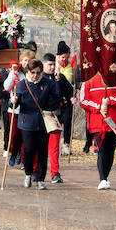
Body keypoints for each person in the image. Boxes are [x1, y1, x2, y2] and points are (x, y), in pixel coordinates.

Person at [15, 58, 61, 189]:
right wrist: (13, 100)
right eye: (33, 72)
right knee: (29, 149)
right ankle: (28, 174)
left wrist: (57, 79)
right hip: (27, 122)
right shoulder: (21, 84)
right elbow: (14, 103)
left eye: (38, 73)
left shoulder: (47, 83)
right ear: (27, 71)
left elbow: (57, 94)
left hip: (43, 122)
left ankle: (41, 179)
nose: (35, 75)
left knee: (42, 151)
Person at [79, 71, 116, 189]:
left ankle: (106, 176)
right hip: (97, 122)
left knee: (110, 151)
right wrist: (98, 106)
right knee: (102, 148)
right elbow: (83, 100)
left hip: (114, 121)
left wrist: (110, 101)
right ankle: (103, 178)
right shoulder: (88, 79)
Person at [41, 53, 72, 184]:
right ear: (43, 64)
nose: (52, 67)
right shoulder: (38, 77)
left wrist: (71, 97)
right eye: (50, 65)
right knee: (40, 146)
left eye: (54, 64)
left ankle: (55, 172)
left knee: (54, 147)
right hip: (40, 115)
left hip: (55, 115)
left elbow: (67, 91)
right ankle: (35, 170)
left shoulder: (60, 78)